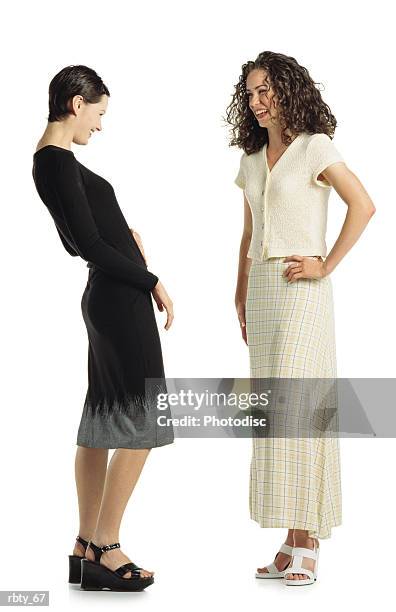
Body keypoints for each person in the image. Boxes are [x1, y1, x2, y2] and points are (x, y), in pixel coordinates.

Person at [226, 51, 375, 586]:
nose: (257, 101)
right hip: (263, 291)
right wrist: (240, 293)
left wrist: (325, 264)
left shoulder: (315, 147)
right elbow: (249, 233)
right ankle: (290, 541)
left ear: (288, 90)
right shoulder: (249, 159)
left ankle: (309, 538)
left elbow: (364, 205)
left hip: (302, 291)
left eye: (265, 90)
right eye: (250, 93)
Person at [32, 65, 174, 591]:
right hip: (120, 300)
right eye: (99, 112)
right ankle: (107, 546)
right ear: (76, 103)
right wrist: (151, 277)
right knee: (142, 424)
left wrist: (121, 233)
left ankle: (84, 546)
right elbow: (88, 247)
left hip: (105, 296)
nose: (100, 124)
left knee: (100, 422)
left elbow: (77, 241)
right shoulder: (60, 163)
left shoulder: (49, 163)